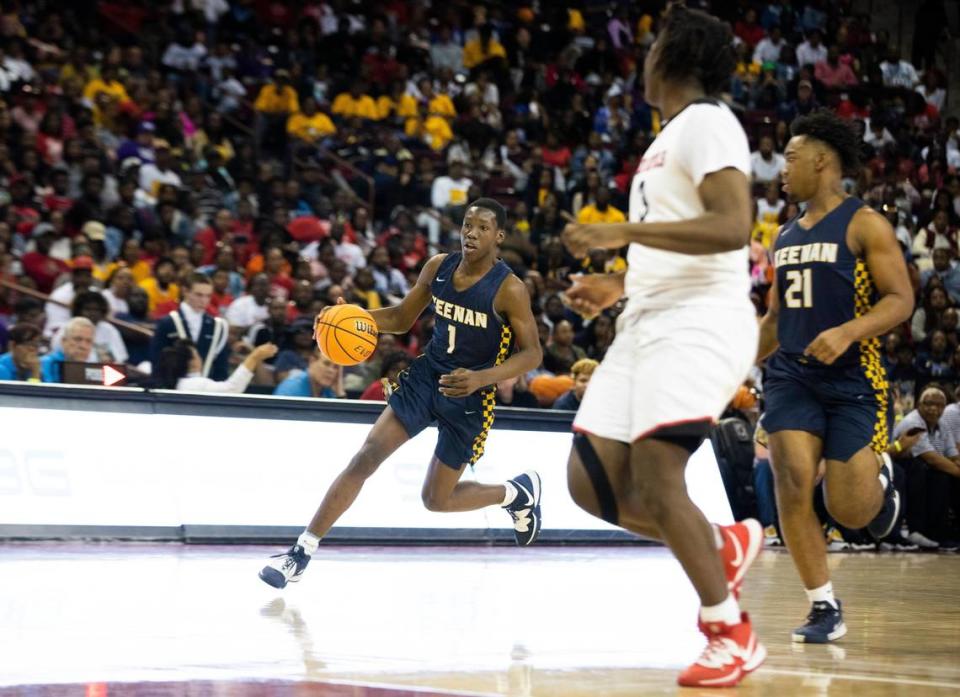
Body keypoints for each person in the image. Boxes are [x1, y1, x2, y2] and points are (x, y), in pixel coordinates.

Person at [559, 7, 765, 687]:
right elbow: (675, 243)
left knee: (655, 471)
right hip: (645, 318)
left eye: (653, 46)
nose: (643, 57)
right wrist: (615, 284)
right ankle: (722, 542)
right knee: (589, 481)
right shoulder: (665, 139)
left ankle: (729, 631)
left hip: (699, 319)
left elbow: (733, 225)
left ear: (676, 55)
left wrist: (621, 235)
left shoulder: (708, 121)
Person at [259, 199, 543, 589]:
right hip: (426, 378)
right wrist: (352, 318)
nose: (471, 232)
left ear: (499, 236)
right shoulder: (438, 266)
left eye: (482, 227)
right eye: (467, 224)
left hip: (471, 396)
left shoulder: (509, 288)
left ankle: (514, 494)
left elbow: (532, 354)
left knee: (435, 500)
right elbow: (401, 318)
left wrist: (482, 379)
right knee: (365, 457)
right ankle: (301, 551)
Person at [756, 112, 914, 644]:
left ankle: (881, 486)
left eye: (792, 158)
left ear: (823, 161)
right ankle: (823, 605)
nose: (783, 170)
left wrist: (849, 331)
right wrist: (733, 368)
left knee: (849, 509)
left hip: (853, 376)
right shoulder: (782, 235)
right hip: (791, 375)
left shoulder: (864, 223)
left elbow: (901, 301)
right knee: (792, 480)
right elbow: (775, 320)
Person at [150, 273, 230, 381]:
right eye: (199, 295)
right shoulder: (167, 323)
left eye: (208, 296)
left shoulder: (218, 327)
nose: (204, 301)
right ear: (185, 291)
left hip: (206, 391)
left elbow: (221, 368)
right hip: (173, 391)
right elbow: (157, 364)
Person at [158, 338, 278, 393]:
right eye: (197, 354)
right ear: (192, 362)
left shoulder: (182, 383)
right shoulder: (194, 384)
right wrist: (254, 357)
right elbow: (232, 388)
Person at [40, 317, 96, 383]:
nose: (83, 346)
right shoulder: (44, 364)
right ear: (63, 341)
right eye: (78, 339)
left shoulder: (94, 370)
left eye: (89, 341)